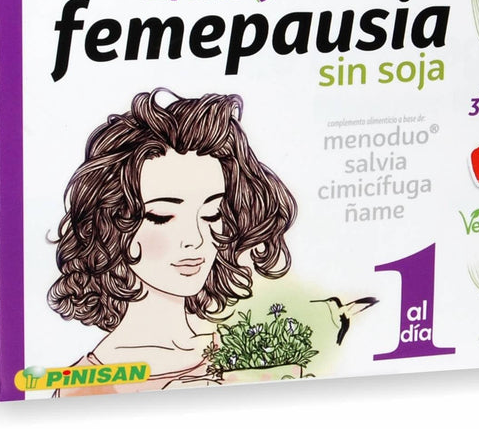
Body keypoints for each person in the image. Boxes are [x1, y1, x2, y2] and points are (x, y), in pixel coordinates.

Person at [48, 88, 297, 395]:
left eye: (211, 213)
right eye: (162, 216)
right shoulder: (86, 385)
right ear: (111, 224)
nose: (195, 239)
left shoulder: (240, 349)